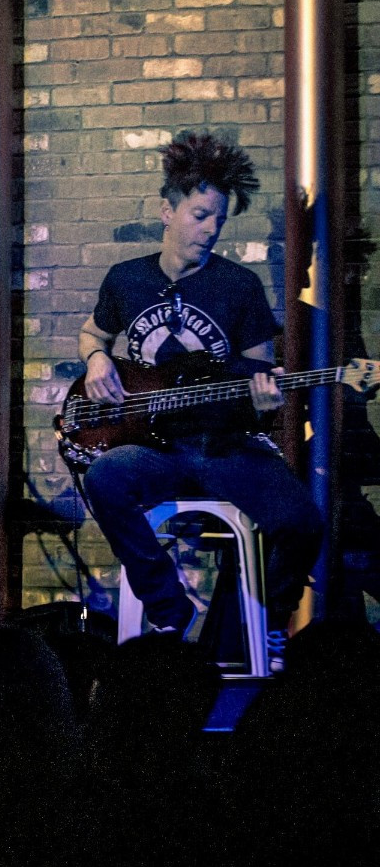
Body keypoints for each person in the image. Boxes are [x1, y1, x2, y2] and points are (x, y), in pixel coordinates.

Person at [77, 130, 322, 635]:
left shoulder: (239, 286)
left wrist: (264, 402)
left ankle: (262, 628)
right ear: (167, 212)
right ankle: (171, 611)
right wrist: (97, 359)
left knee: (302, 523)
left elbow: (259, 377)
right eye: (200, 215)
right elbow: (91, 333)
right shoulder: (127, 279)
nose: (211, 230)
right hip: (154, 449)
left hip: (224, 446)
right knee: (103, 478)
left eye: (219, 220)